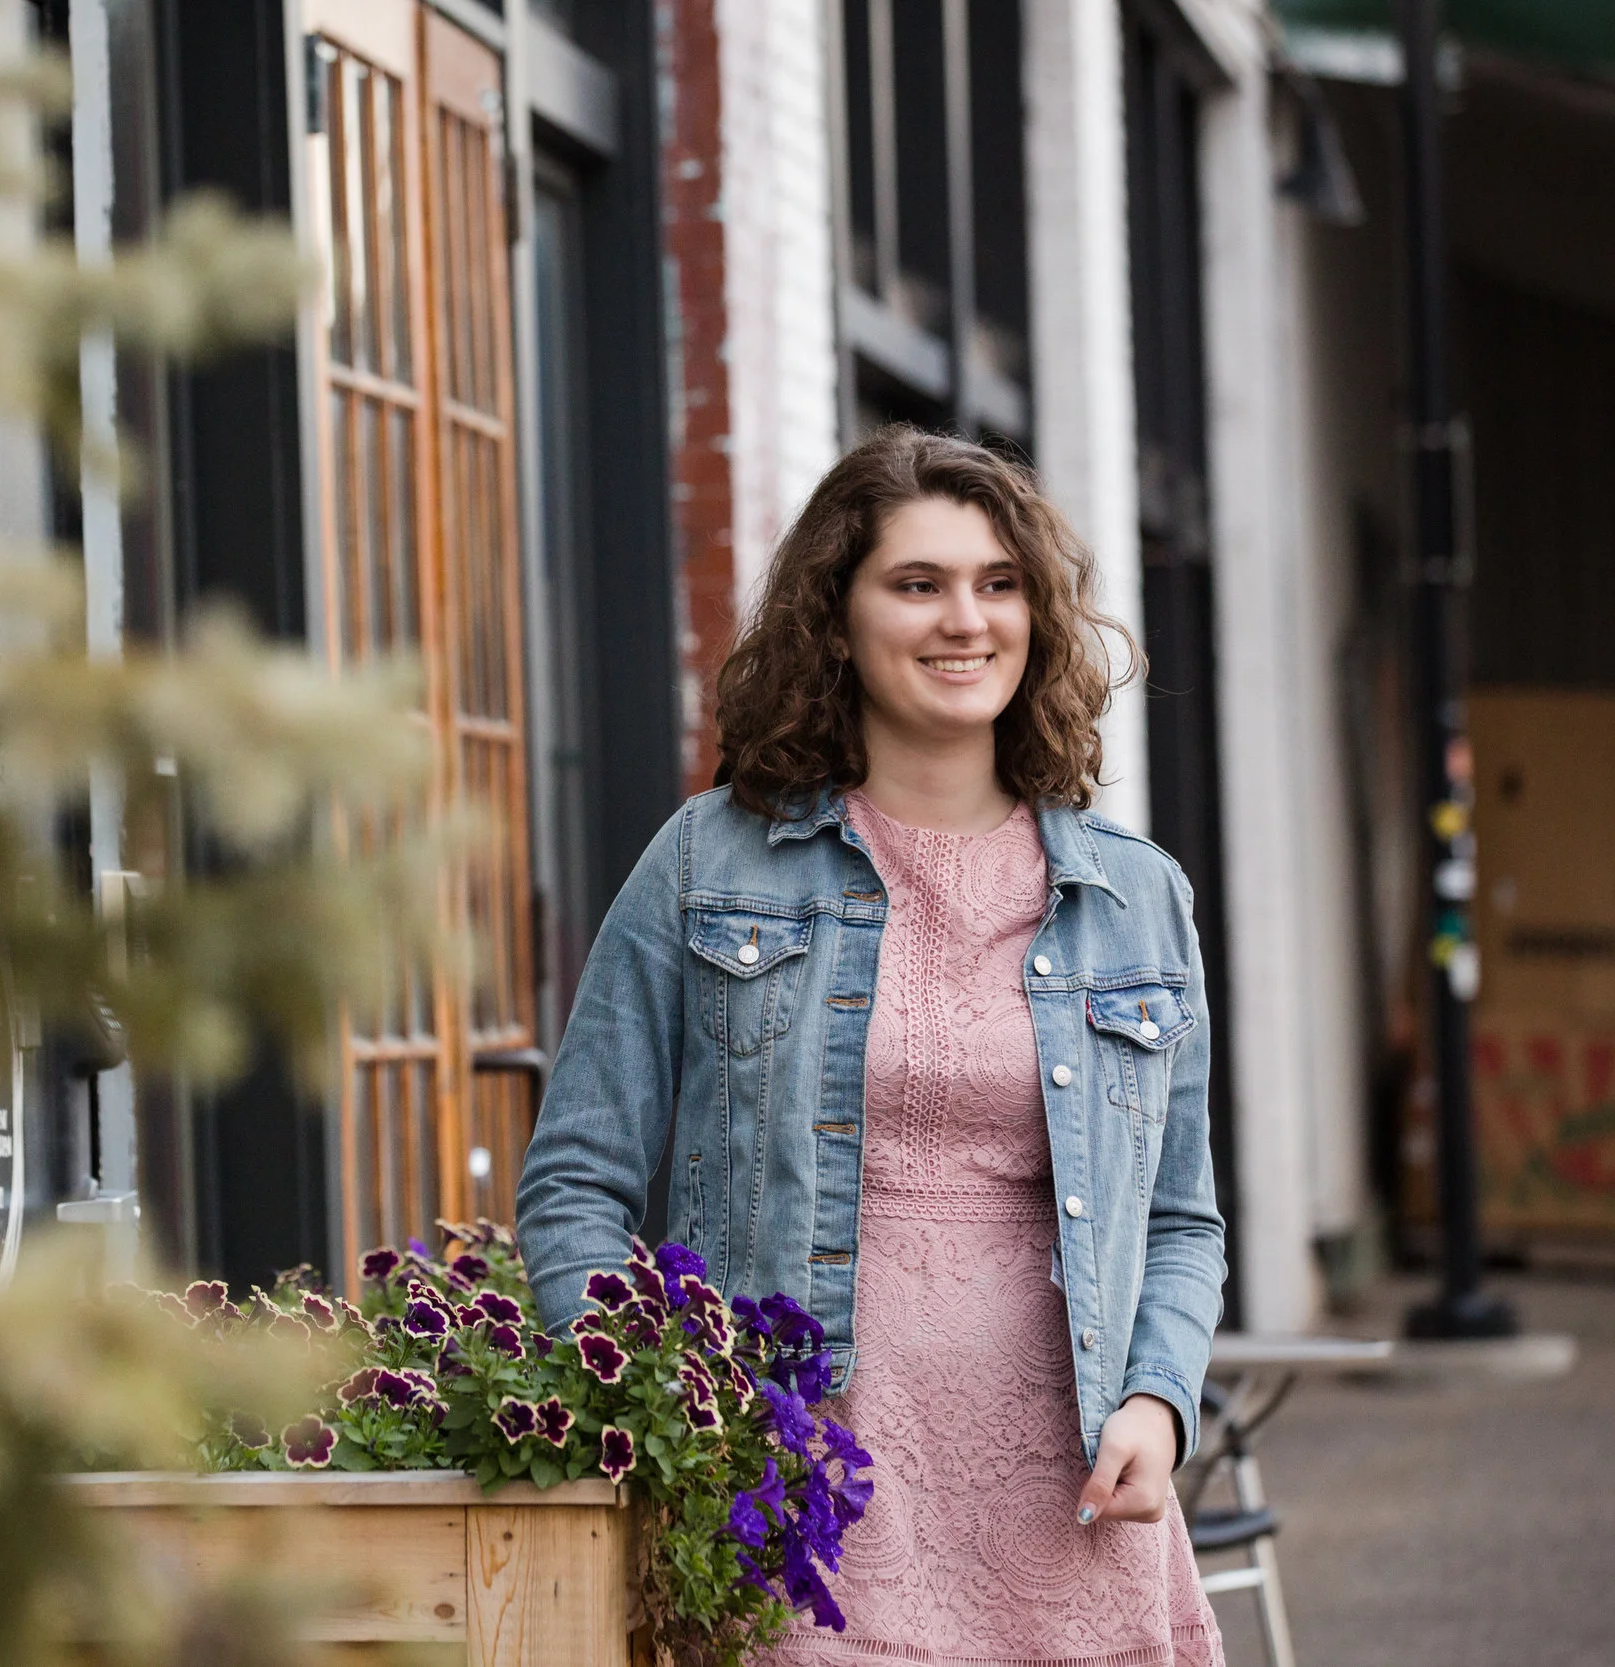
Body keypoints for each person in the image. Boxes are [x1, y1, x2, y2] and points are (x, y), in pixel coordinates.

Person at [516, 427, 1227, 1665]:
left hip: (1071, 1518)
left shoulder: (1136, 899)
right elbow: (577, 1186)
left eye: (998, 584)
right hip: (803, 1517)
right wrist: (674, 1423)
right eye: (917, 583)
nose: (966, 618)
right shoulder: (704, 864)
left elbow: (1179, 1219)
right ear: (833, 621)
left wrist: (1160, 1403)